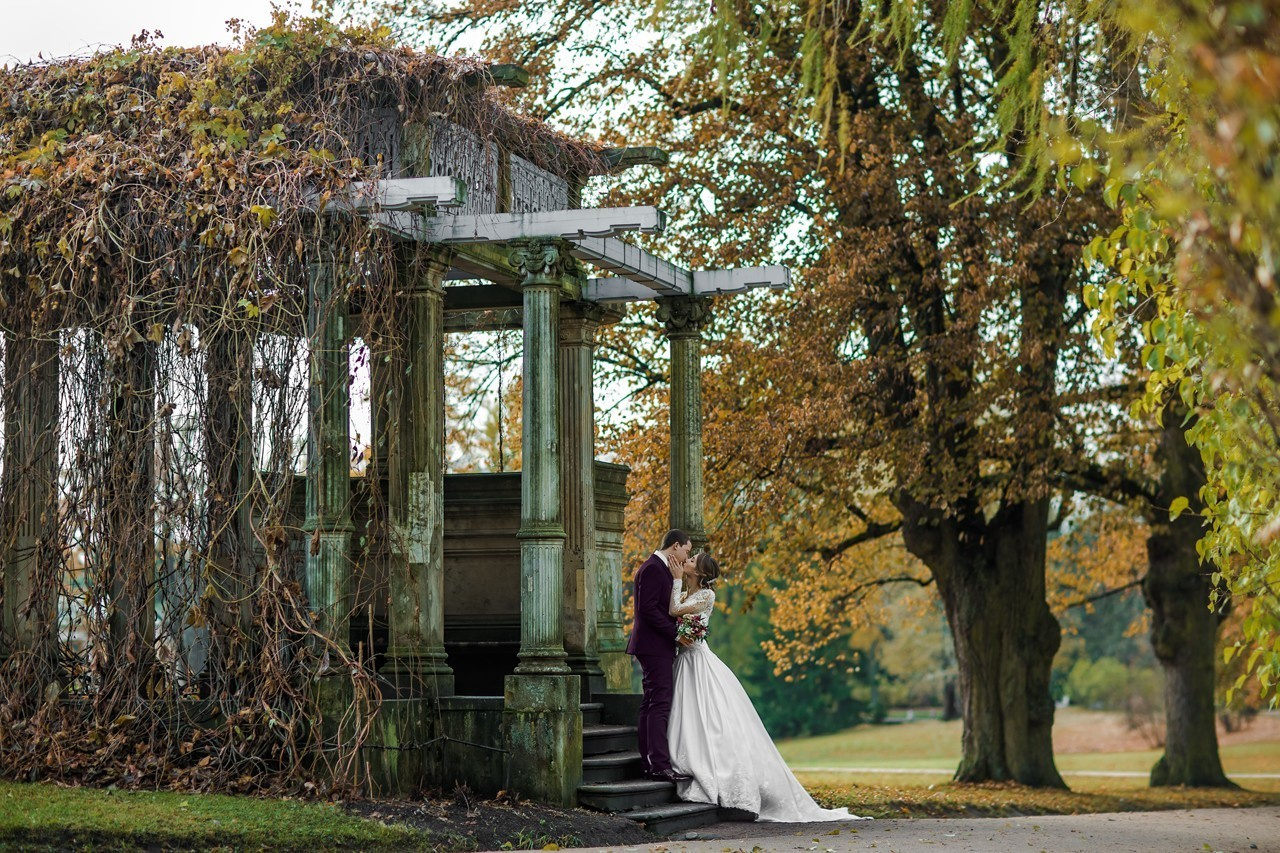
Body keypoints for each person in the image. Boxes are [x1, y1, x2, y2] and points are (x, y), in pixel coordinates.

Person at [666, 552, 868, 822]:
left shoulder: (706, 595)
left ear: (700, 572)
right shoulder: (687, 594)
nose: (687, 561)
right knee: (688, 714)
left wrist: (676, 579)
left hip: (698, 661)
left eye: (692, 560)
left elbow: (674, 611)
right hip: (683, 661)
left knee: (710, 716)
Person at [625, 528, 693, 782]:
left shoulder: (659, 568)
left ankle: (648, 762)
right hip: (653, 646)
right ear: (675, 546)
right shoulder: (653, 568)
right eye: (687, 550)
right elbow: (648, 610)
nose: (687, 557)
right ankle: (660, 765)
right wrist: (676, 633)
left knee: (652, 702)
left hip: (652, 646)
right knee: (660, 704)